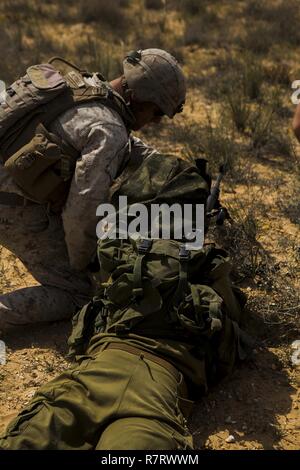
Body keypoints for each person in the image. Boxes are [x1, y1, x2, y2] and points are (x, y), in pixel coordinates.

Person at [0, 152, 251, 450]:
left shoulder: (115, 250)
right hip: (157, 388)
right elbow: (233, 334)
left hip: (93, 375)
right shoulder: (205, 263)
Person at [0, 48, 186, 331]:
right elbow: (80, 214)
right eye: (157, 111)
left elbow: (91, 133)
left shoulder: (86, 84)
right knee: (77, 291)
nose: (156, 120)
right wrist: (83, 264)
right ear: (135, 96)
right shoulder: (109, 130)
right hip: (11, 207)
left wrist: (164, 164)